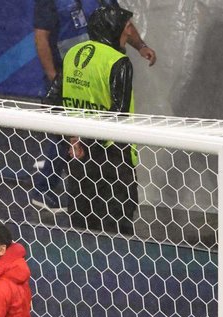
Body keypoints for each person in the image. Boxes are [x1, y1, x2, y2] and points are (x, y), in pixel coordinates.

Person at [32, 0, 153, 213]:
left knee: (78, 134)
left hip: (94, 75)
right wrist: (55, 77)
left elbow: (122, 22)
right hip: (70, 73)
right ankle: (46, 188)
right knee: (69, 135)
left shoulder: (113, 61)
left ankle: (73, 193)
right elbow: (41, 36)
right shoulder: (116, 63)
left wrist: (141, 45)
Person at [48, 2, 139, 235]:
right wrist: (87, 142)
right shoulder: (118, 62)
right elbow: (117, 114)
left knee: (81, 222)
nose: (129, 32)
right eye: (126, 26)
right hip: (113, 156)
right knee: (117, 227)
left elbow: (50, 102)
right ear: (114, 28)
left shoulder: (72, 53)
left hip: (76, 154)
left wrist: (73, 139)